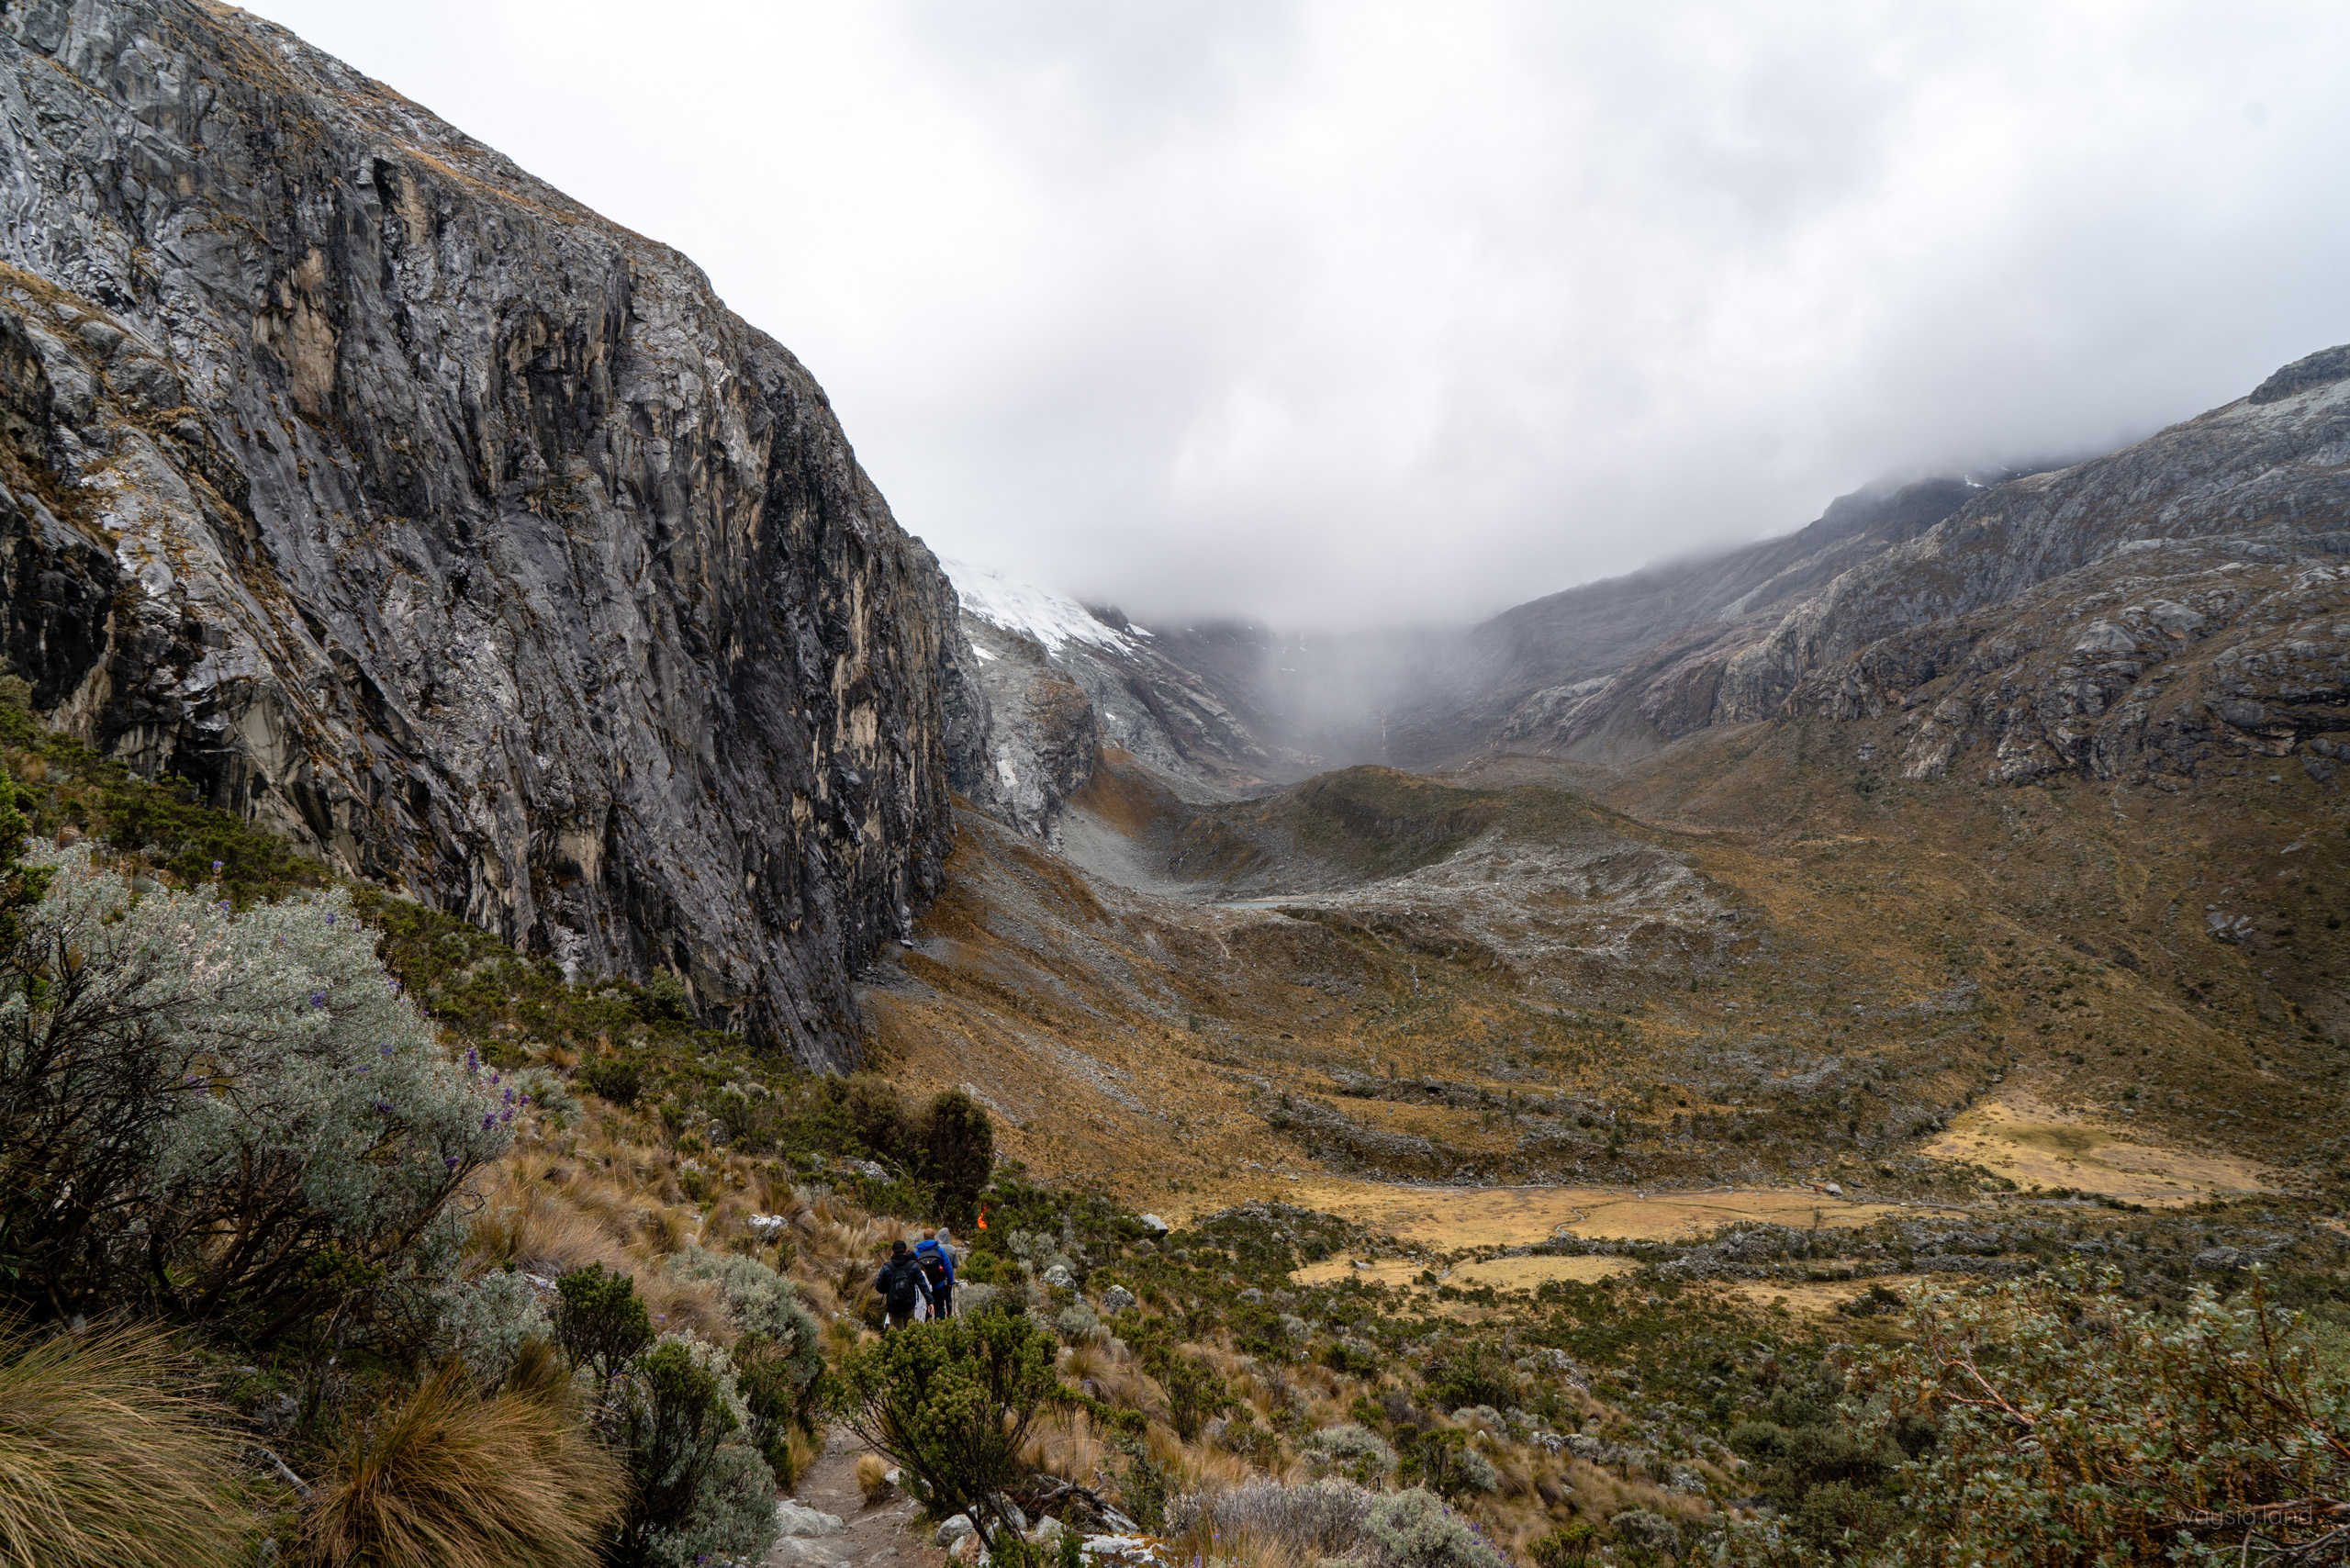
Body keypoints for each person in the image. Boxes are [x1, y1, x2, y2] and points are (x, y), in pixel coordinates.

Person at [874, 1239, 932, 1330]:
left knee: (898, 1336)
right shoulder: (913, 1265)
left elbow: (879, 1287)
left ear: (893, 1252)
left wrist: (891, 1289)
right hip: (909, 1304)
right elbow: (922, 1284)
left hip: (893, 1307)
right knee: (911, 1333)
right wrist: (930, 1301)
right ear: (906, 1251)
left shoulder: (886, 1267)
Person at [913, 1226, 957, 1319]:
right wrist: (950, 1282)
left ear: (923, 1238)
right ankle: (939, 1328)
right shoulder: (939, 1250)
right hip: (938, 1285)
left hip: (924, 1288)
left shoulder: (917, 1252)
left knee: (926, 1309)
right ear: (934, 1238)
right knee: (939, 1307)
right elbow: (948, 1267)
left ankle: (927, 1330)